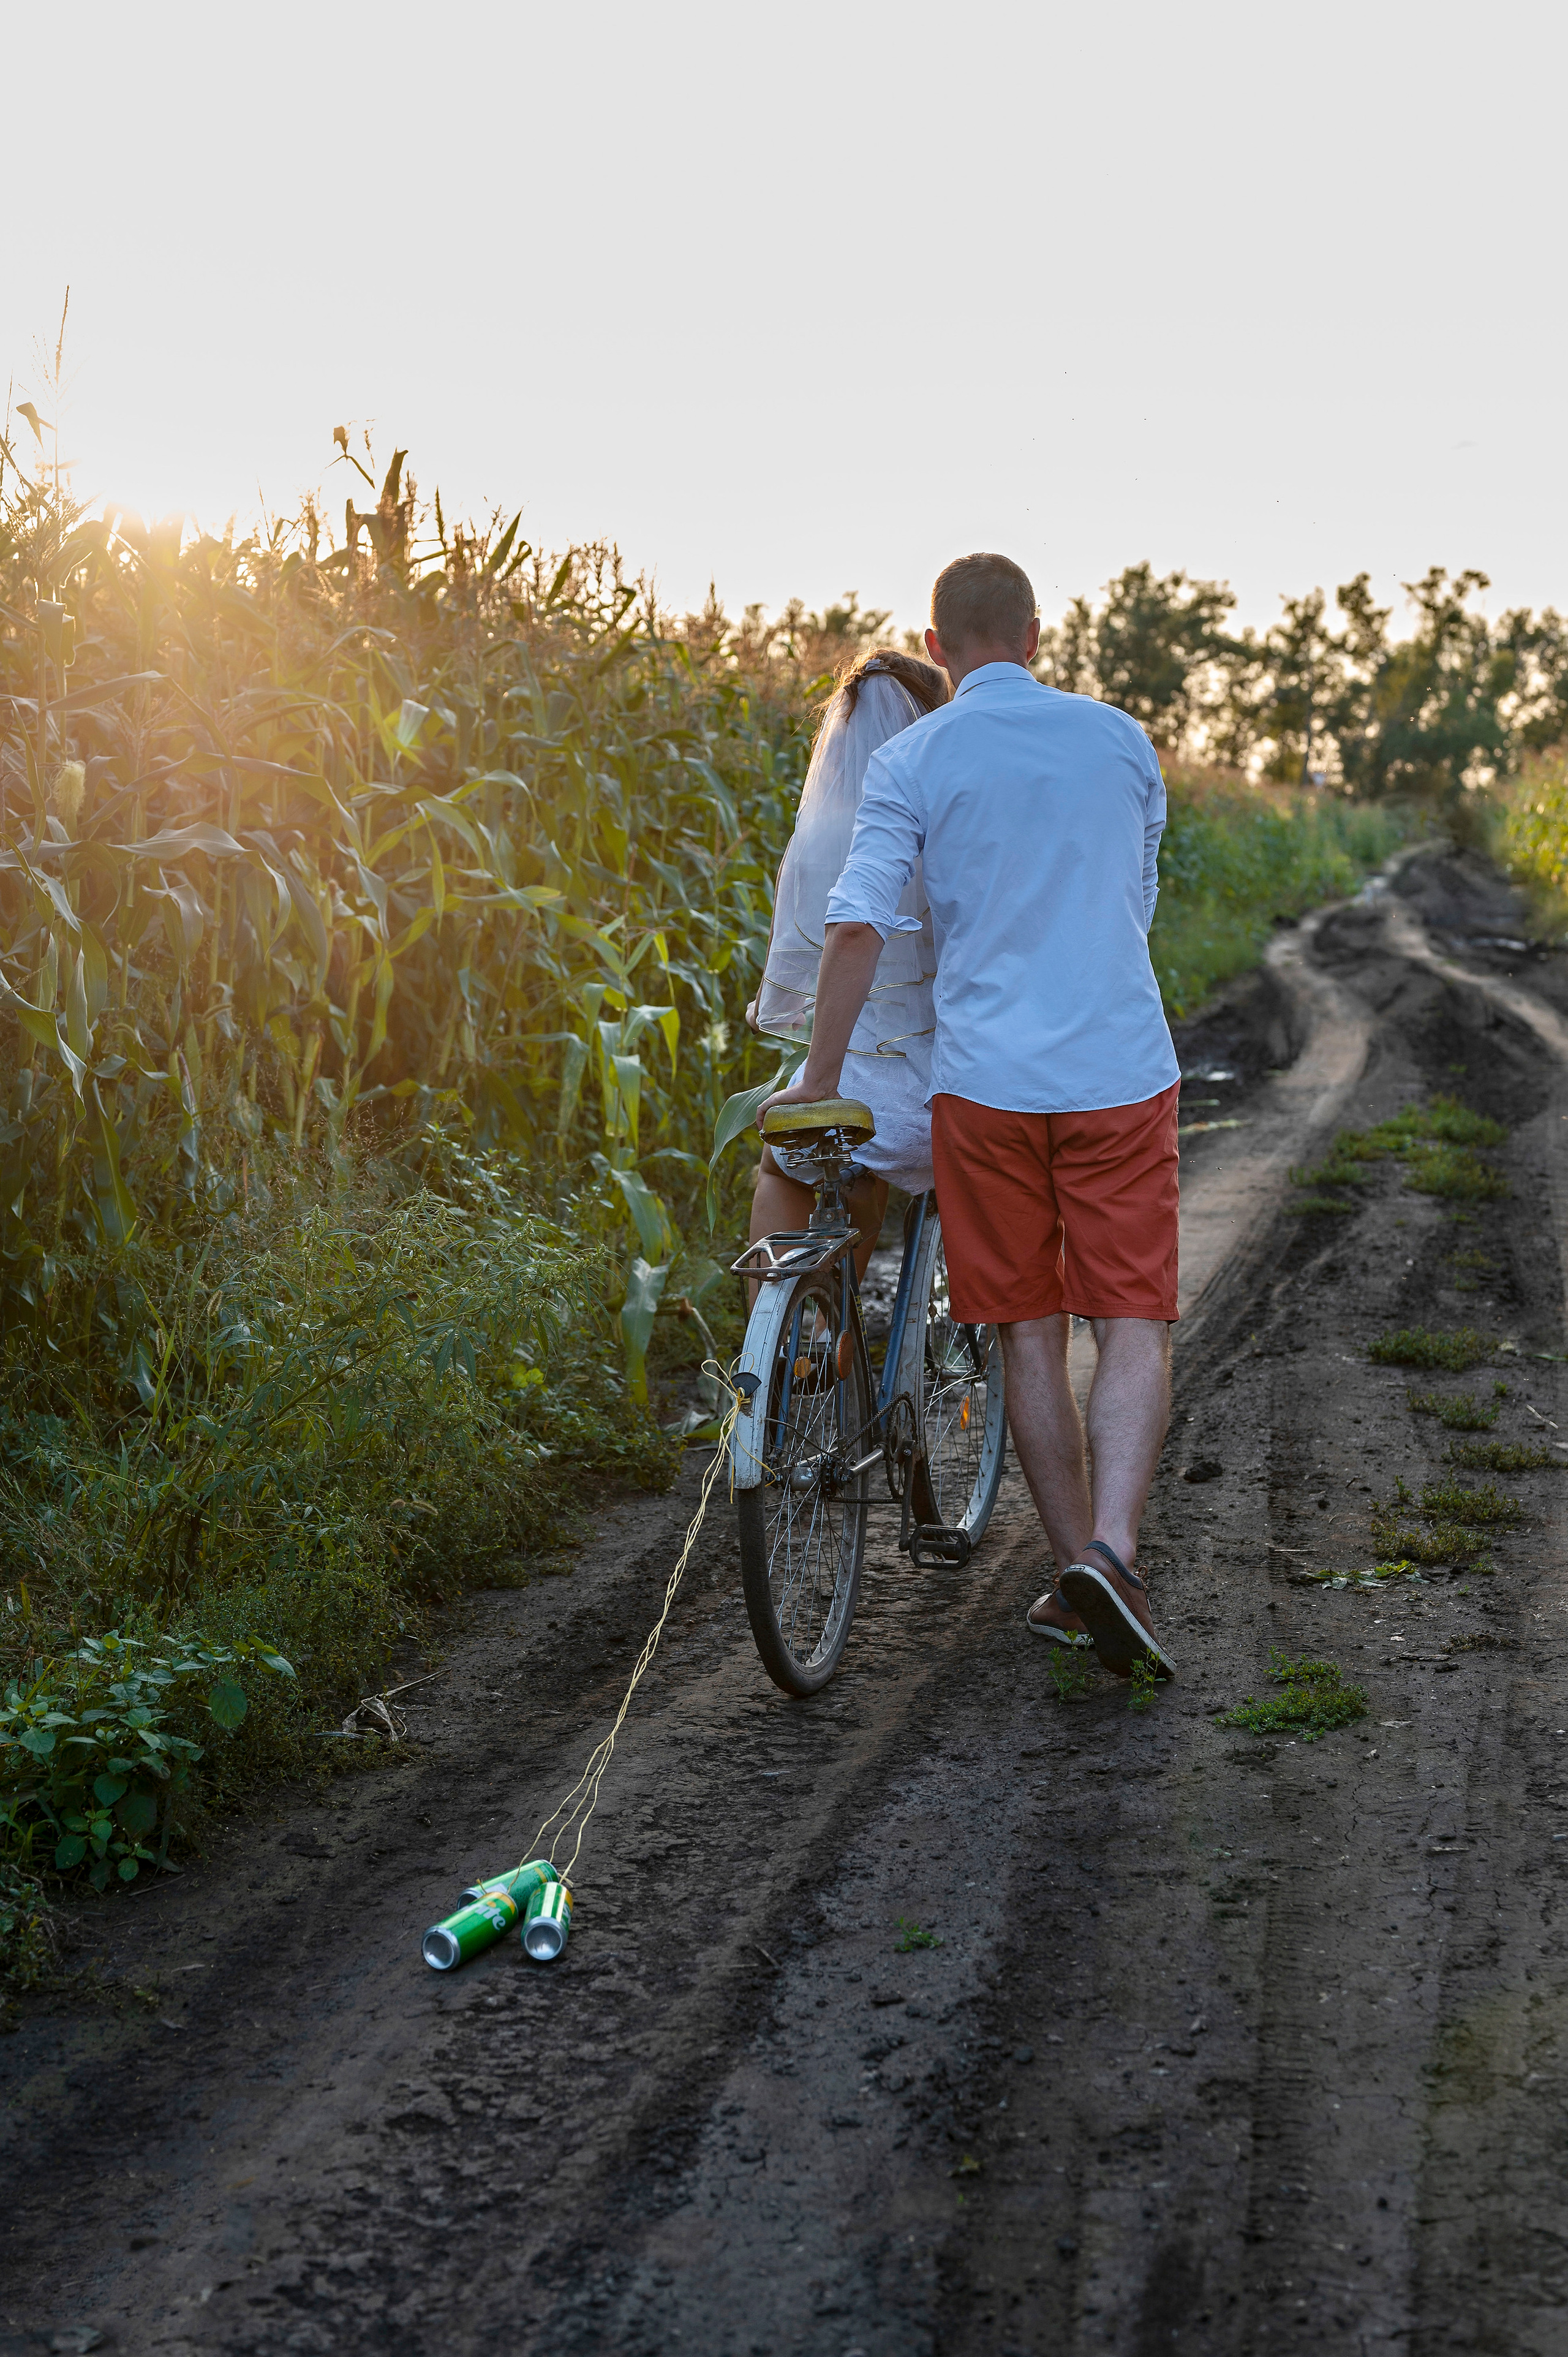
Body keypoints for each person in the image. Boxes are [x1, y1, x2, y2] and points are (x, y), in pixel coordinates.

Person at [759, 552, 1179, 1682]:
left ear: (938, 646)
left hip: (986, 1086)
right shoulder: (1122, 740)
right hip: (1119, 1071)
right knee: (1132, 1317)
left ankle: (1078, 1569)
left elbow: (857, 923)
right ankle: (1113, 1551)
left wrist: (819, 1075)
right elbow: (1135, 902)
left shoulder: (912, 757)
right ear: (1036, 635)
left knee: (1028, 1328)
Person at [745, 649, 949, 1282]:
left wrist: (776, 1011)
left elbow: (812, 966)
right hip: (948, 1094)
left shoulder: (821, 834)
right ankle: (834, 1321)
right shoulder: (950, 825)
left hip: (852, 1084)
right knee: (869, 1147)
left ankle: (789, 1330)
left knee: (786, 1164)